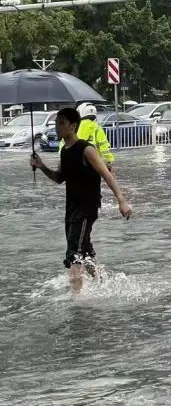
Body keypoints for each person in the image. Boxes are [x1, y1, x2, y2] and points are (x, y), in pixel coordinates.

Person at [29, 107, 134, 291]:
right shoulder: (65, 151)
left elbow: (107, 175)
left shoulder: (86, 149)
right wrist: (41, 165)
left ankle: (76, 306)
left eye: (61, 123)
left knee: (73, 256)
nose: (57, 127)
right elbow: (59, 178)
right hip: (71, 209)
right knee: (84, 253)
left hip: (86, 209)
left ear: (73, 126)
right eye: (56, 123)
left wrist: (121, 200)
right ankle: (105, 286)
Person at [61, 103, 115, 172]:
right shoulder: (97, 127)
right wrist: (109, 161)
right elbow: (104, 147)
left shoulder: (73, 127)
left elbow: (63, 145)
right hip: (93, 163)